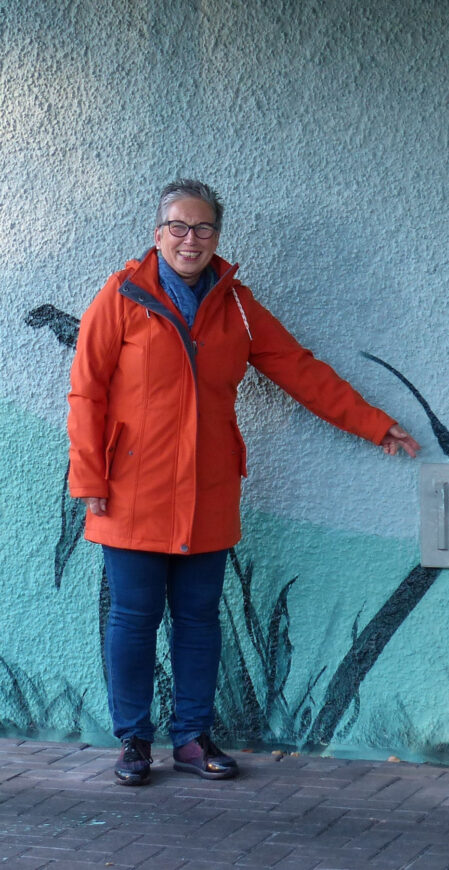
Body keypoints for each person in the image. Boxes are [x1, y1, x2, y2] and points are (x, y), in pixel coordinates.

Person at [67, 179, 420, 786]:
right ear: (157, 235)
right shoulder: (122, 295)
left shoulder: (235, 306)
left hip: (208, 492)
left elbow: (299, 369)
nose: (190, 238)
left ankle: (192, 738)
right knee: (132, 619)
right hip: (131, 492)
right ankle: (132, 741)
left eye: (203, 228)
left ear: (216, 238)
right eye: (177, 226)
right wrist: (91, 477)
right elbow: (87, 390)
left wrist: (375, 425)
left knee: (201, 619)